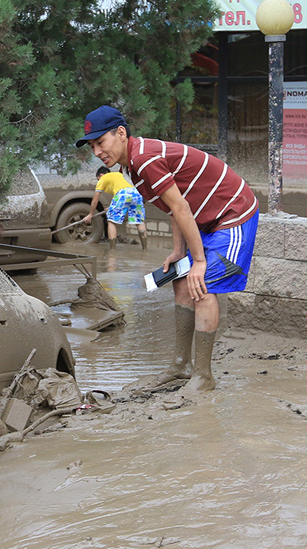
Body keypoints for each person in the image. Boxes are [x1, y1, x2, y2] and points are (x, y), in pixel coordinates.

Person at [76, 105, 259, 392]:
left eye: (101, 142)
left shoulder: (144, 159)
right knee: (180, 282)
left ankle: (203, 376)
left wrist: (198, 260)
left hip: (232, 214)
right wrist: (178, 251)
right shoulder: (131, 167)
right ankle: (180, 365)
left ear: (121, 133)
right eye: (92, 146)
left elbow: (181, 206)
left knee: (203, 285)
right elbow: (177, 206)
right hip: (205, 221)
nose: (97, 151)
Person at [84, 166, 147, 250]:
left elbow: (95, 200)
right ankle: (145, 249)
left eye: (98, 179)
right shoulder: (120, 176)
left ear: (101, 175)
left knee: (111, 221)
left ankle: (112, 250)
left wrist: (90, 214)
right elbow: (122, 201)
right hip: (137, 193)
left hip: (122, 194)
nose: (99, 181)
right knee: (139, 221)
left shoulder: (103, 178)